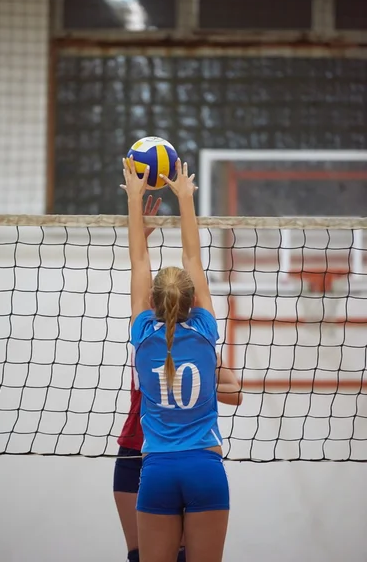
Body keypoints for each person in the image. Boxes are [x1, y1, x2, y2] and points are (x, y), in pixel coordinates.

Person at [118, 157, 241, 562]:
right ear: (193, 302)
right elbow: (193, 258)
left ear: (152, 302)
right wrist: (185, 198)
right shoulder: (206, 330)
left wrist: (136, 199)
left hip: (157, 472)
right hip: (206, 469)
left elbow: (139, 261)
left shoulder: (144, 335)